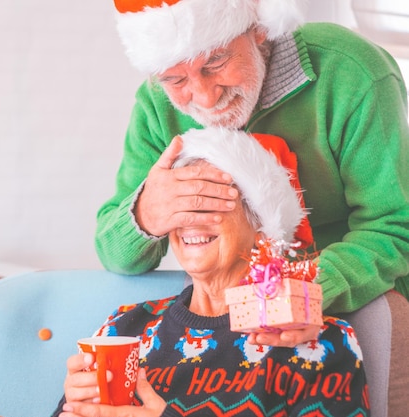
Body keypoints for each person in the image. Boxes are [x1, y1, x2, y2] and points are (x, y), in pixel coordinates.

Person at [95, 0, 409, 343]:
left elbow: (394, 227)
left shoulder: (351, 72)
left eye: (215, 61)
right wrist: (147, 213)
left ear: (258, 27)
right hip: (223, 316)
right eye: (175, 78)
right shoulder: (156, 106)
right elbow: (113, 253)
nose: (204, 97)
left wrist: (308, 289)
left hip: (358, 298)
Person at [54, 128, 369, 417]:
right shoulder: (123, 328)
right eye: (180, 204)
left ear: (262, 224)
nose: (191, 219)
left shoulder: (315, 340)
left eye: (211, 201)